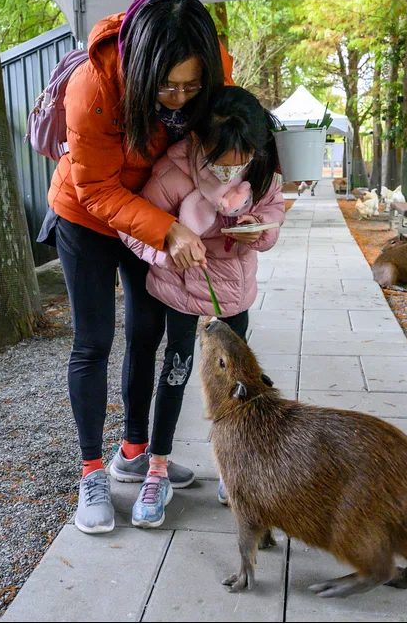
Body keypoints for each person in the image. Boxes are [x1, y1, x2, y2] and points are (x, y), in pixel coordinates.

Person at [37, 0, 234, 534]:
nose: (179, 98)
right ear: (141, 68)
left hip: (153, 208)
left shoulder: (211, 62)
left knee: (148, 329)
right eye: (167, 87)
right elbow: (96, 189)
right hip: (88, 215)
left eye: (191, 86)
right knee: (94, 339)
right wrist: (167, 228)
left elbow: (226, 132)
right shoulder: (95, 86)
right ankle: (92, 471)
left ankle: (134, 451)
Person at [120, 86, 285, 527]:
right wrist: (170, 246)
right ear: (202, 141)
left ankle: (235, 467)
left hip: (232, 289)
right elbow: (135, 229)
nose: (233, 168)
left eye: (242, 157)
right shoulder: (173, 169)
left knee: (237, 380)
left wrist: (256, 228)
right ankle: (157, 469)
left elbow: (273, 219)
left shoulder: (264, 167)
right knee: (175, 371)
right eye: (223, 157)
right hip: (180, 286)